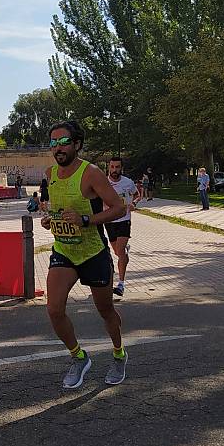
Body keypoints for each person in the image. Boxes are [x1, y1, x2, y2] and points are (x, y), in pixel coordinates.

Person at [41, 120, 128, 389]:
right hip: (64, 251)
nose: (58, 148)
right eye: (53, 143)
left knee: (105, 309)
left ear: (77, 144)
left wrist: (87, 220)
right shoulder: (50, 173)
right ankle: (79, 357)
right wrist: (50, 219)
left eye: (64, 141)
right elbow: (58, 209)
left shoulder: (90, 173)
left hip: (93, 253)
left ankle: (119, 354)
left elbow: (119, 207)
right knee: (54, 309)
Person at [104, 157, 140, 297]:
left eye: (117, 167)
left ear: (121, 168)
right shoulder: (104, 183)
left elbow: (137, 195)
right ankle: (124, 250)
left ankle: (121, 284)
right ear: (109, 168)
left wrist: (134, 203)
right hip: (109, 220)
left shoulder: (128, 182)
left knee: (119, 250)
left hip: (124, 219)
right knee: (119, 253)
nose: (114, 170)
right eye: (112, 167)